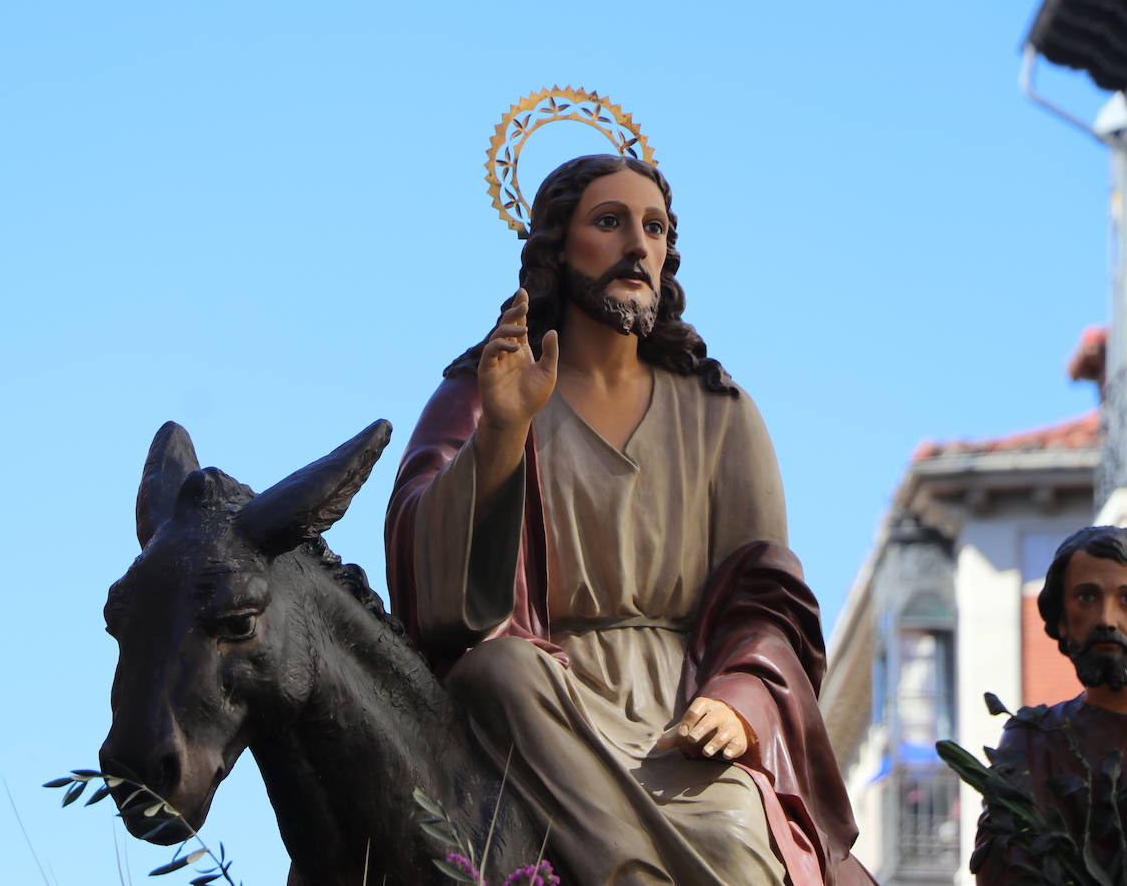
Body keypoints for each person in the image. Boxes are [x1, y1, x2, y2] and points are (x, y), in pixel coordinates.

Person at [384, 154, 870, 885]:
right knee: (499, 669)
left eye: (655, 228)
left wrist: (738, 697)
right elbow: (430, 584)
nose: (638, 246)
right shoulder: (487, 390)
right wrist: (502, 435)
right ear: (557, 247)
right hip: (546, 707)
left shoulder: (719, 411)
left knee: (740, 833)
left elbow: (766, 594)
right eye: (609, 223)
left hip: (679, 716)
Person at [972, 525, 1127, 884]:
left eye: (1126, 599)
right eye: (1087, 598)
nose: (1107, 619)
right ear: (1061, 619)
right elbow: (1002, 868)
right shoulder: (1033, 742)